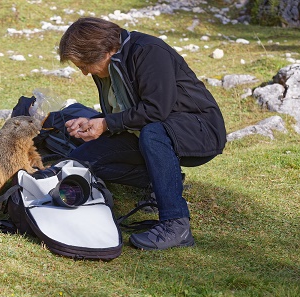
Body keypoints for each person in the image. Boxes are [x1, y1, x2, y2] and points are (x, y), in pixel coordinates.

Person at [58, 17, 226, 250]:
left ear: (103, 52)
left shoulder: (148, 51)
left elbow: (157, 109)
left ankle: (176, 225)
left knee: (152, 132)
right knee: (80, 161)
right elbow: (124, 112)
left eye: (83, 66)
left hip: (199, 130)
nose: (85, 73)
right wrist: (93, 121)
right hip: (151, 131)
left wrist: (106, 125)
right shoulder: (108, 68)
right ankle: (163, 182)